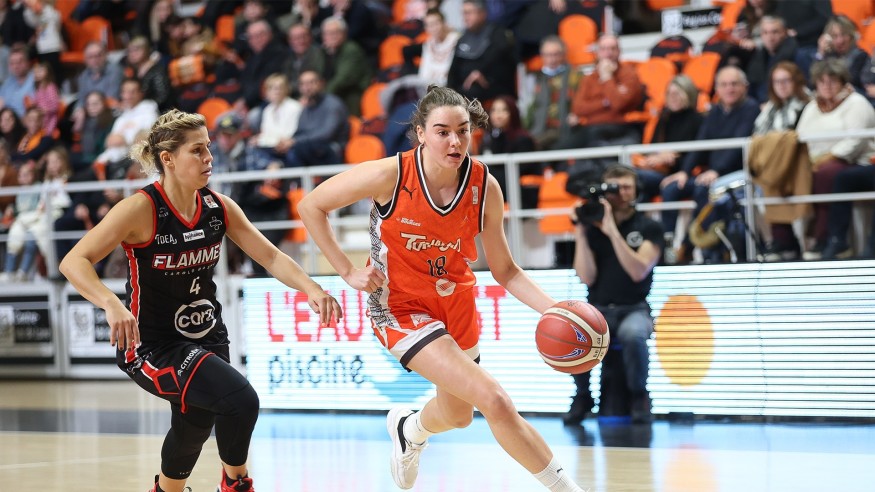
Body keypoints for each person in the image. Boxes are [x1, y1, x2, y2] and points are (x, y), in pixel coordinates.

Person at [298, 86, 587, 492]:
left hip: (457, 302)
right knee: (495, 400)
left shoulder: (484, 185)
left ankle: (410, 428)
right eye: (442, 132)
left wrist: (555, 309)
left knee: (458, 415)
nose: (455, 142)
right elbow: (311, 205)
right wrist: (346, 270)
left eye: (463, 131)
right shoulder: (390, 174)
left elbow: (506, 270)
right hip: (400, 307)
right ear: (420, 133)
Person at [58, 109, 343, 492]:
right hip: (153, 346)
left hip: (208, 336)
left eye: (208, 148)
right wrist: (110, 303)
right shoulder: (140, 209)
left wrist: (312, 288)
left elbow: (271, 256)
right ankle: (236, 482)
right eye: (197, 150)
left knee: (195, 423)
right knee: (241, 400)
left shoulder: (218, 206)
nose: (209, 158)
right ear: (168, 159)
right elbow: (73, 261)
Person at [567, 165, 663, 425]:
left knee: (633, 334)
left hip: (635, 307)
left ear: (637, 191)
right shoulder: (592, 227)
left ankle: (639, 396)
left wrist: (612, 231)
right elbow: (586, 277)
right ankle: (582, 395)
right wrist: (581, 232)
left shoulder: (649, 227)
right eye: (613, 188)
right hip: (598, 307)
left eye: (626, 187)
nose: (619, 193)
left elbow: (638, 271)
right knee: (575, 332)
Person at [795, 59, 875, 259]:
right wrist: (808, 161)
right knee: (788, 173)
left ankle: (825, 238)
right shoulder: (812, 107)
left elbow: (856, 140)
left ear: (842, 81)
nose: (827, 86)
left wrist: (828, 157)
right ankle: (785, 241)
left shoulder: (856, 103)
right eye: (822, 81)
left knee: (827, 174)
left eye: (832, 81)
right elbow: (799, 137)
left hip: (855, 160)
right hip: (814, 161)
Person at [752, 61, 811, 261]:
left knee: (775, 176)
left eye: (786, 80)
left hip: (799, 162)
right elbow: (757, 136)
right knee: (766, 176)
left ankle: (787, 240)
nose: (782, 86)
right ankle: (782, 239)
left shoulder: (807, 105)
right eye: (777, 82)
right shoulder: (769, 109)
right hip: (772, 163)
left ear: (797, 81)